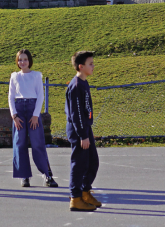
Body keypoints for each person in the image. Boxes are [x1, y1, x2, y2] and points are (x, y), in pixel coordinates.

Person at [9, 49, 58, 188]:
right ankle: (24, 176)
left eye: (25, 59)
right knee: (20, 144)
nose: (22, 62)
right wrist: (14, 116)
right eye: (20, 59)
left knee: (37, 144)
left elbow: (40, 96)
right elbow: (11, 97)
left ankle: (47, 175)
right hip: (19, 111)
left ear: (30, 61)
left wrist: (36, 115)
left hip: (32, 110)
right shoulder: (14, 76)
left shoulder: (36, 76)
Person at [66, 51, 101, 212]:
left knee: (93, 162)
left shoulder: (84, 83)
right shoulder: (75, 86)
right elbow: (76, 114)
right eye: (90, 64)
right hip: (78, 131)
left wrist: (88, 130)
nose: (93, 66)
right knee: (79, 164)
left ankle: (85, 192)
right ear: (81, 66)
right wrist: (82, 135)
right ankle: (75, 198)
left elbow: (86, 111)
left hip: (85, 129)